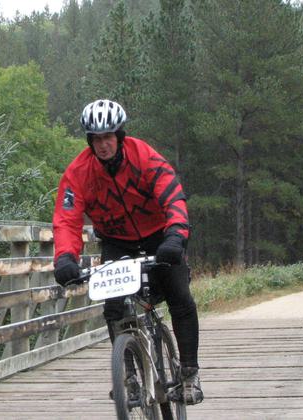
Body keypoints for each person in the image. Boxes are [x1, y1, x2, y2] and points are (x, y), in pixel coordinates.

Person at [52, 99, 203, 405]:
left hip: (159, 235)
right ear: (89, 141)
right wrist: (65, 257)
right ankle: (130, 378)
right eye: (96, 139)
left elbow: (172, 195)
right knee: (114, 308)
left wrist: (175, 235)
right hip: (117, 241)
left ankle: (189, 375)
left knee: (180, 297)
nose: (103, 144)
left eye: (108, 137)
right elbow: (66, 220)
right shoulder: (78, 172)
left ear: (120, 136)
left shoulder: (143, 156)